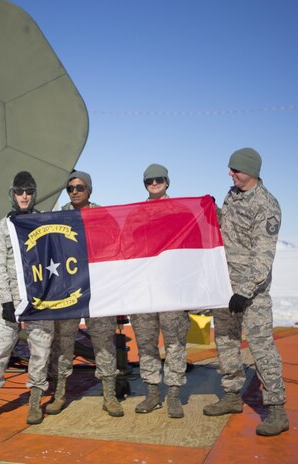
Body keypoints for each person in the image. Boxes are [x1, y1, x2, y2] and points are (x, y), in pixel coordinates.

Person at [203, 148, 289, 436]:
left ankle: (277, 410)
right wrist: (211, 210)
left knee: (261, 347)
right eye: (230, 169)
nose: (231, 174)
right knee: (227, 343)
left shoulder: (266, 205)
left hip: (251, 295)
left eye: (236, 170)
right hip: (225, 287)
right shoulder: (233, 195)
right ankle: (231, 396)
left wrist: (244, 291)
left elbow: (263, 257)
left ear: (251, 171)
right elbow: (227, 231)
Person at [0, 171, 55, 427]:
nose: (24, 196)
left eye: (29, 191)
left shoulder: (45, 223)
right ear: (12, 194)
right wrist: (6, 301)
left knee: (40, 351)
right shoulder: (3, 226)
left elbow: (55, 258)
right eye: (19, 191)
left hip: (39, 299)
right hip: (10, 300)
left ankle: (34, 402)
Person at [45, 170, 123, 417]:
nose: (75, 191)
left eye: (80, 187)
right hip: (68, 290)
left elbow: (116, 247)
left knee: (103, 342)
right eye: (70, 188)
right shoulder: (59, 217)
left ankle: (109, 395)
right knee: (64, 343)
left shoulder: (102, 216)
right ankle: (59, 394)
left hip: (97, 289)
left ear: (89, 189)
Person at [129, 163, 190, 419]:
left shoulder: (182, 212)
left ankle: (174, 394)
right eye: (149, 181)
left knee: (175, 343)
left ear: (167, 181)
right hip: (144, 290)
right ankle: (153, 393)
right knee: (146, 344)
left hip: (172, 290)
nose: (154, 184)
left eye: (158, 179)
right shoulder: (135, 213)